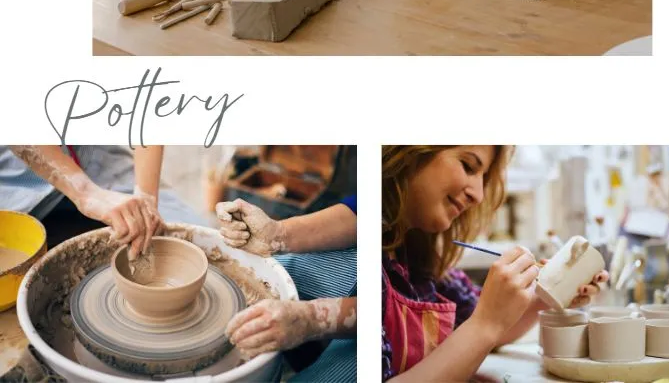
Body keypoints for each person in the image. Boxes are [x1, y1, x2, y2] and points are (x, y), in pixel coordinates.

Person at [380, 146, 608, 381]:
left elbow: (490, 330)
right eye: (468, 166)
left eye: (483, 177)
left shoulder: (422, 262)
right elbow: (483, 325)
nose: (478, 195)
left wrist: (545, 295)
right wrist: (485, 323)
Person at [216, 195, 357, 382]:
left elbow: (396, 312)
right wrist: (278, 233)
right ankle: (300, 356)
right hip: (385, 255)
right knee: (265, 272)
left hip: (401, 320)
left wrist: (313, 319)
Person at [0, 146, 205, 258]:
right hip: (18, 170)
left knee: (198, 236)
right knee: (13, 261)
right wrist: (85, 193)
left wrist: (146, 198)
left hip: (92, 153)